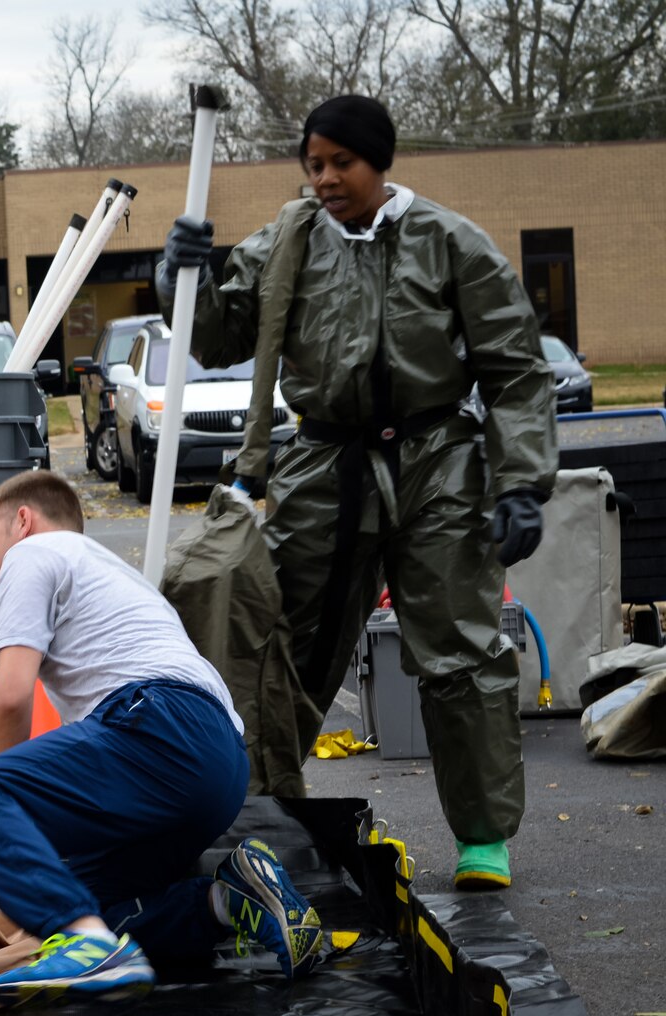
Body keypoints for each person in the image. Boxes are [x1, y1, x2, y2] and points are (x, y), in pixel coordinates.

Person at [159, 95, 556, 889]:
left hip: (437, 461)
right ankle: (263, 814)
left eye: (343, 162)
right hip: (322, 464)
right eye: (314, 164)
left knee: (461, 652)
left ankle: (482, 836)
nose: (328, 178)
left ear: (381, 161)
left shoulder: (450, 243)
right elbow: (219, 334)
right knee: (287, 645)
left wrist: (518, 483)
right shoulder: (289, 241)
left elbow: (514, 369)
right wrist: (182, 275)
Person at [0, 471, 324, 1008]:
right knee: (90, 902)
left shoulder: (35, 554)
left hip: (159, 725)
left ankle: (90, 945)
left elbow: (13, 696)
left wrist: (1, 812)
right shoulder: (114, 576)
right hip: (221, 761)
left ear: (22, 521)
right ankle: (229, 899)